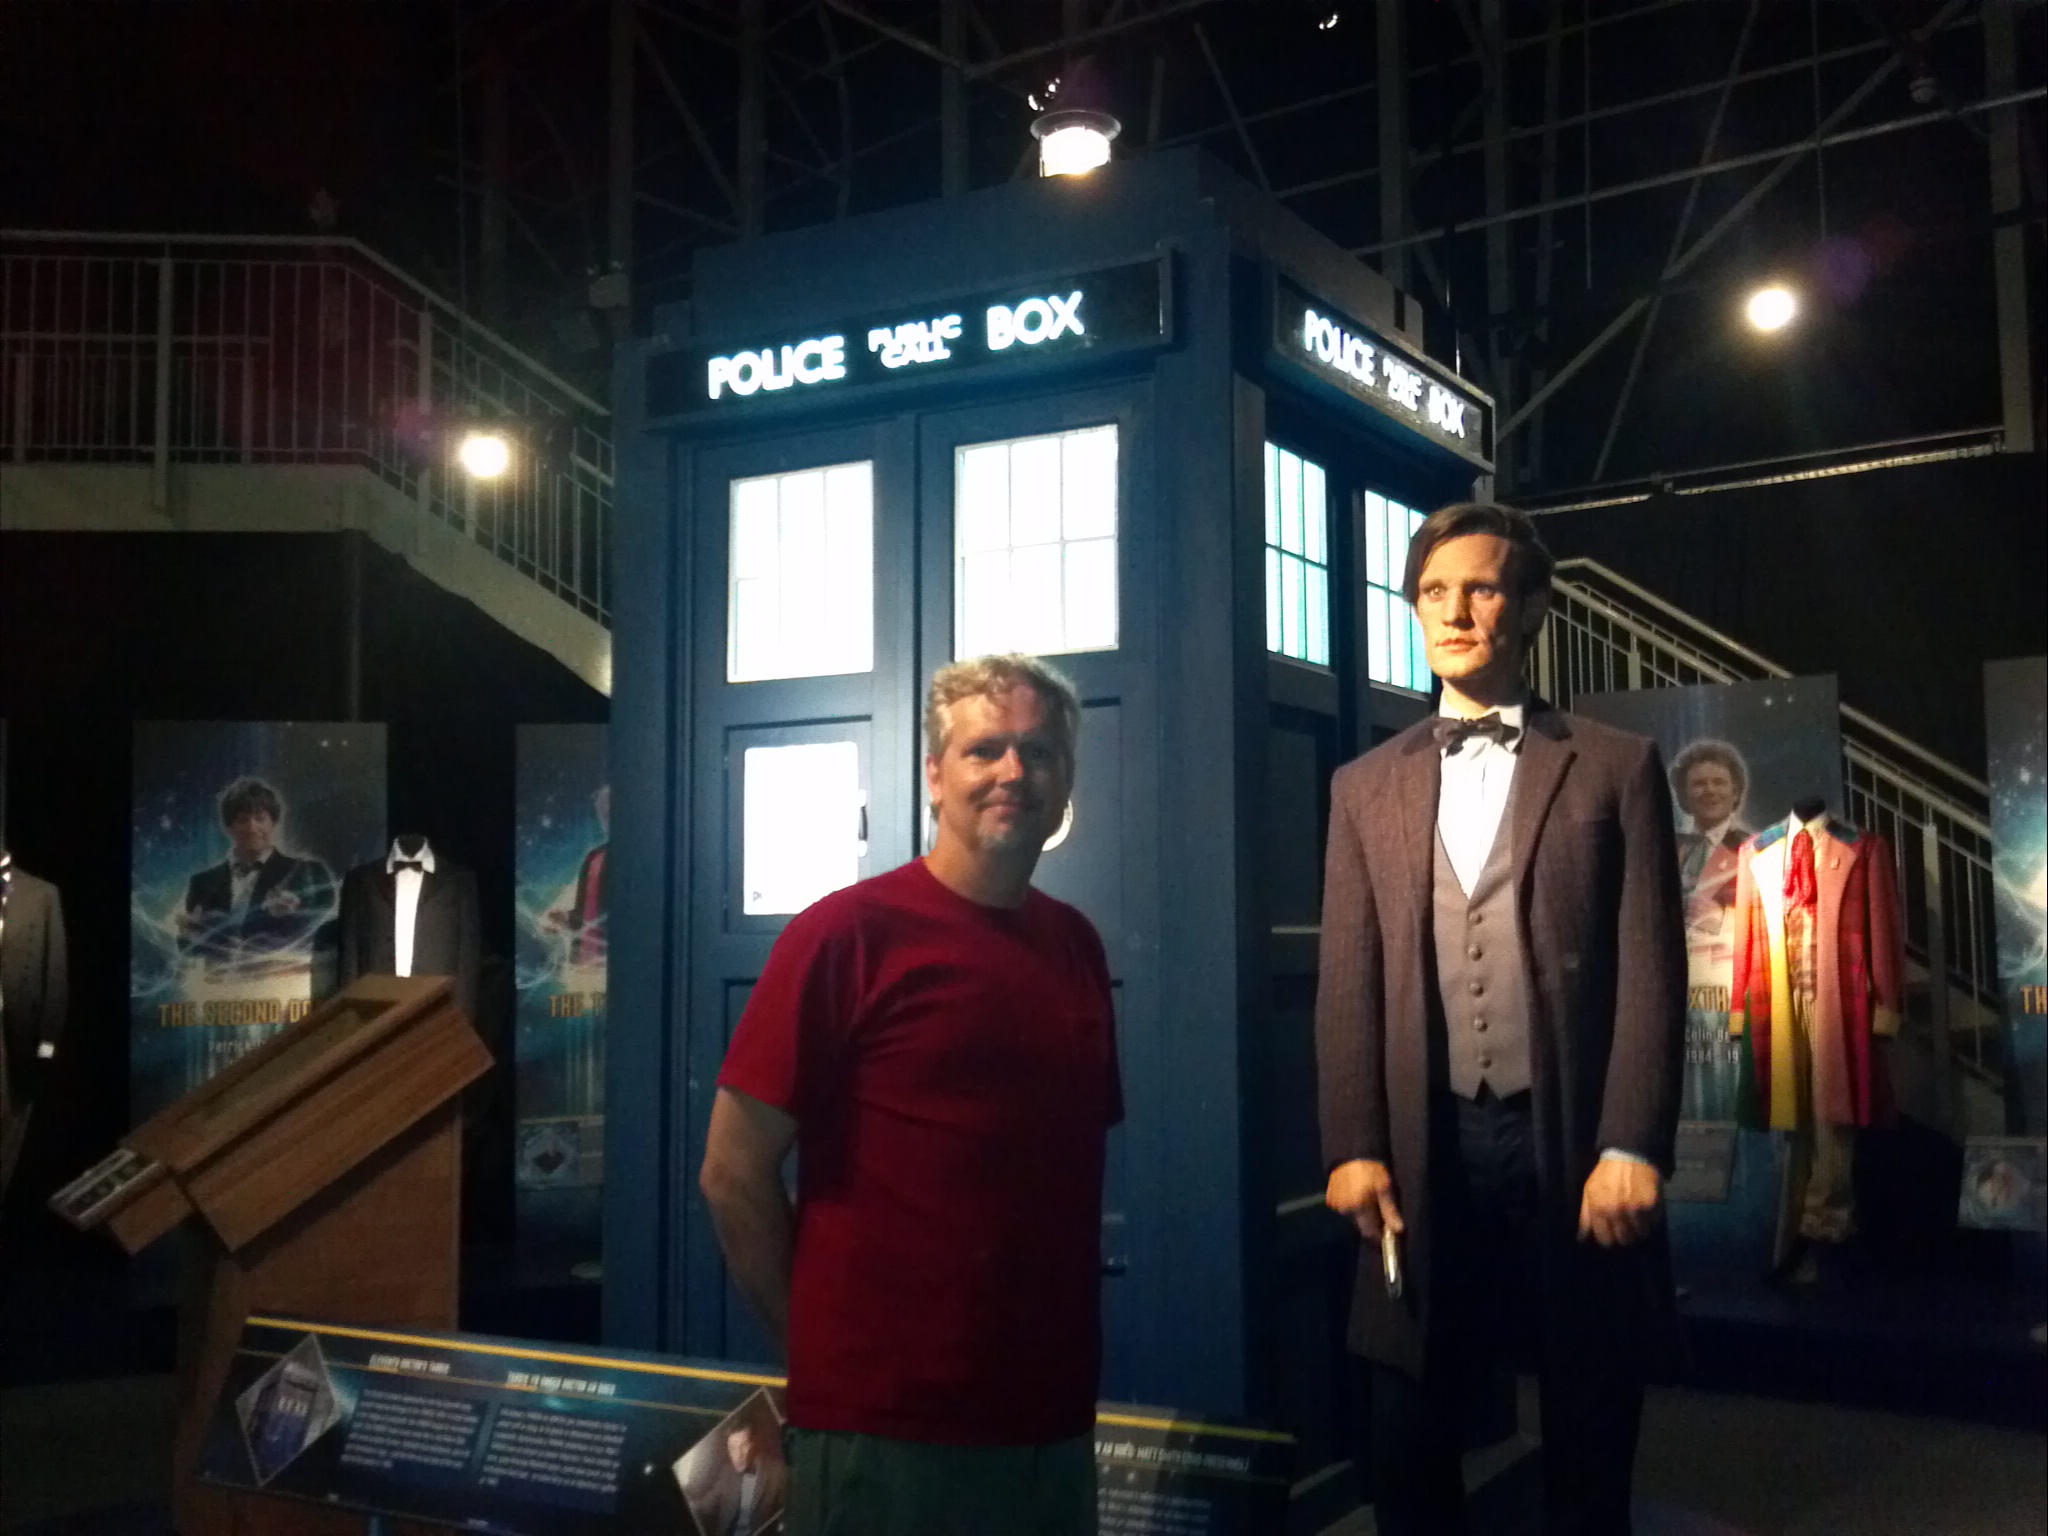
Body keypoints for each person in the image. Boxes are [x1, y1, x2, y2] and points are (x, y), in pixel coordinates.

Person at [1315, 502, 1686, 1536]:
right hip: (1425, 1138)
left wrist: (1630, 1144)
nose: (1453, 612)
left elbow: (1651, 970)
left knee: (1590, 1413)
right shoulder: (1362, 787)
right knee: (1408, 1420)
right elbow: (1347, 979)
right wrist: (1352, 1143)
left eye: (1480, 588)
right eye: (1433, 592)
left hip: (1567, 1136)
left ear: (1528, 607)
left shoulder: (1614, 766)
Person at [700, 654, 1120, 1536]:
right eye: (985, 750)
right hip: (885, 1436)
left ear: (1067, 779)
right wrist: (820, 1355)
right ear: (935, 775)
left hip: (1050, 1424)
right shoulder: (846, 936)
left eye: (1040, 752)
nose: (1014, 772)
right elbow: (732, 1173)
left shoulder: (1076, 947)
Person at [176, 777, 337, 966]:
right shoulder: (202, 882)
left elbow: (323, 935)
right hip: (221, 982)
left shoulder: (307, 873)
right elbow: (191, 950)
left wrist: (293, 915)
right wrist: (187, 936)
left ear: (273, 822)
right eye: (242, 820)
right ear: (229, 826)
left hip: (281, 978)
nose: (252, 828)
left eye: (260, 818)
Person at [688, 1423, 788, 1536]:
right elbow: (706, 1505)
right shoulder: (727, 1472)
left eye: (744, 1445)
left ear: (753, 1443)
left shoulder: (777, 1472)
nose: (738, 1455)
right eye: (732, 1447)